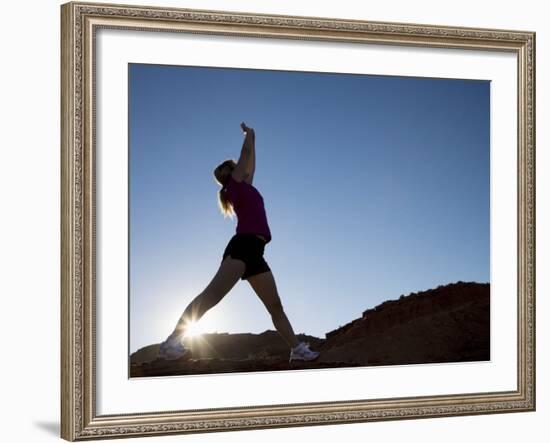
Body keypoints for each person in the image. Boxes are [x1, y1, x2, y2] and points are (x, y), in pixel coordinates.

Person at [158, 122, 319, 363]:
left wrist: (253, 137)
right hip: (241, 247)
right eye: (227, 169)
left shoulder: (245, 185)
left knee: (275, 306)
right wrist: (248, 135)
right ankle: (172, 341)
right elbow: (245, 155)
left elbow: (250, 159)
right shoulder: (234, 185)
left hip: (256, 252)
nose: (233, 169)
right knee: (212, 295)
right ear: (230, 174)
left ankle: (296, 349)